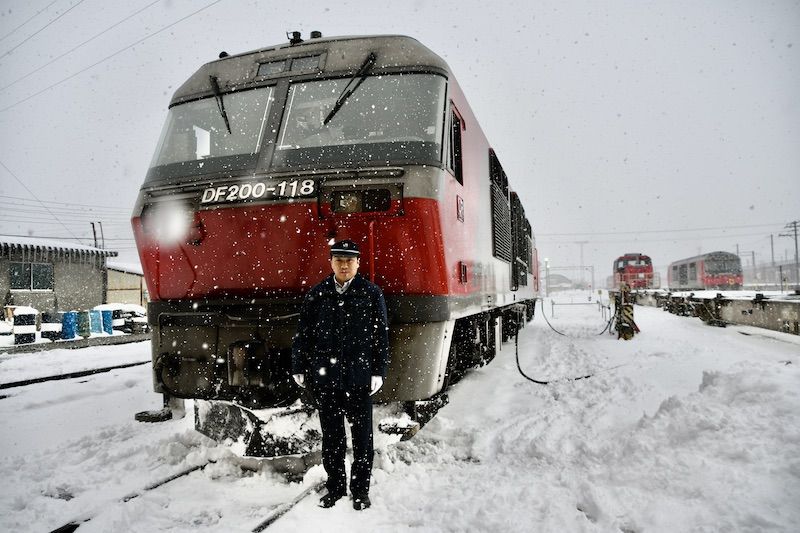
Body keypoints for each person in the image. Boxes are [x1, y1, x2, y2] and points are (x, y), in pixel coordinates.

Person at [291, 239, 390, 510]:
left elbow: (381, 337)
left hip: (359, 380)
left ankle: (360, 492)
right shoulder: (317, 294)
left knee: (362, 441)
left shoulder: (371, 294)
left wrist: (378, 371)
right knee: (332, 439)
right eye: (338, 260)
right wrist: (298, 365)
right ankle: (335, 488)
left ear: (358, 263)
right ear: (331, 263)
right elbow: (304, 334)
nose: (344, 265)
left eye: (349, 260)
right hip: (328, 380)